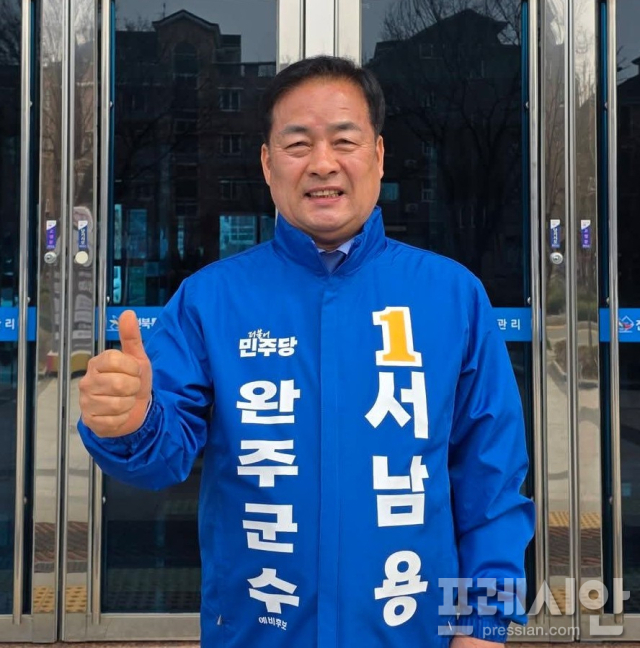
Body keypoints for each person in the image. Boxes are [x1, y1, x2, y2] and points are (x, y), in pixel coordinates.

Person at [78, 56, 535, 647]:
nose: (323, 163)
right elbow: (160, 456)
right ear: (268, 165)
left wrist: (484, 625)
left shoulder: (452, 296)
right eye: (297, 144)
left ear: (378, 155)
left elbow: (491, 481)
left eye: (344, 140)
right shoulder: (211, 299)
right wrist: (128, 421)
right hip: (258, 631)